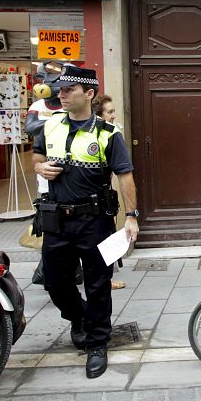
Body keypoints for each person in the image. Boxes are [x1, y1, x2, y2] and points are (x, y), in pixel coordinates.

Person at [32, 66, 139, 378]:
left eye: (68, 90)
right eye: (60, 90)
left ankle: (97, 343)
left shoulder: (108, 134)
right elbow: (36, 157)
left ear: (88, 94)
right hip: (56, 220)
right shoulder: (49, 127)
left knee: (97, 286)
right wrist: (40, 169)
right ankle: (78, 318)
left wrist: (131, 216)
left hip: (94, 222)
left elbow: (125, 176)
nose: (61, 95)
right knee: (54, 281)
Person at [92, 94, 126, 290]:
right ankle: (105, 278)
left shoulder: (111, 133)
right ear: (99, 114)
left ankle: (106, 277)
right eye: (110, 112)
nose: (113, 115)